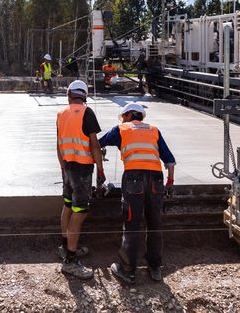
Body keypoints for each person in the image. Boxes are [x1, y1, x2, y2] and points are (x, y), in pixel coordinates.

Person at [99, 103, 175, 284]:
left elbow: (98, 143)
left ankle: (128, 271)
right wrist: (170, 182)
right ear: (141, 116)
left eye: (123, 116)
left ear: (128, 115)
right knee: (155, 222)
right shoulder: (154, 130)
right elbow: (170, 160)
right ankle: (155, 267)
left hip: (134, 178)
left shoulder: (121, 129)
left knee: (132, 223)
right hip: (156, 178)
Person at [56, 79, 105, 280]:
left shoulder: (61, 114)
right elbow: (94, 144)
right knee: (80, 212)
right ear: (84, 95)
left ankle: (65, 245)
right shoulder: (87, 112)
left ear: (69, 95)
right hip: (83, 169)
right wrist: (100, 170)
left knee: (68, 205)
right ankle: (70, 259)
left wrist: (63, 168)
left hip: (67, 166)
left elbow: (58, 145)